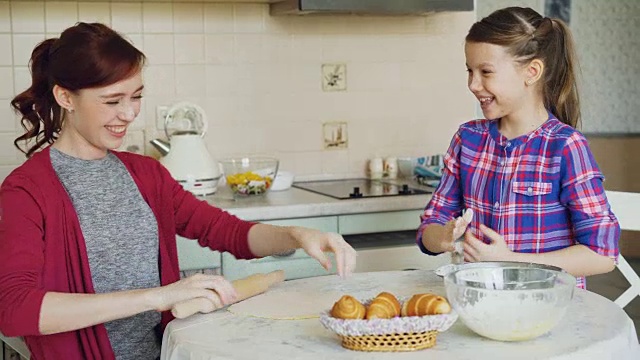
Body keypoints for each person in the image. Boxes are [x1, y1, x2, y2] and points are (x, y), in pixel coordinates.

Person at [0, 22, 357, 360]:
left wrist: (298, 235)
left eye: (136, 96)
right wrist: (157, 297)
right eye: (112, 100)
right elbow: (14, 309)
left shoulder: (146, 174)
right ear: (65, 97)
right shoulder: (26, 191)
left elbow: (228, 232)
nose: (128, 114)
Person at [417, 7, 620, 287]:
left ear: (532, 71)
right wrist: (443, 236)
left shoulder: (565, 147)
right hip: (481, 307)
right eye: (470, 71)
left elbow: (602, 254)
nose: (473, 84)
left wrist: (512, 259)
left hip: (551, 314)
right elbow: (430, 225)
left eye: (486, 72)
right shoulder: (468, 140)